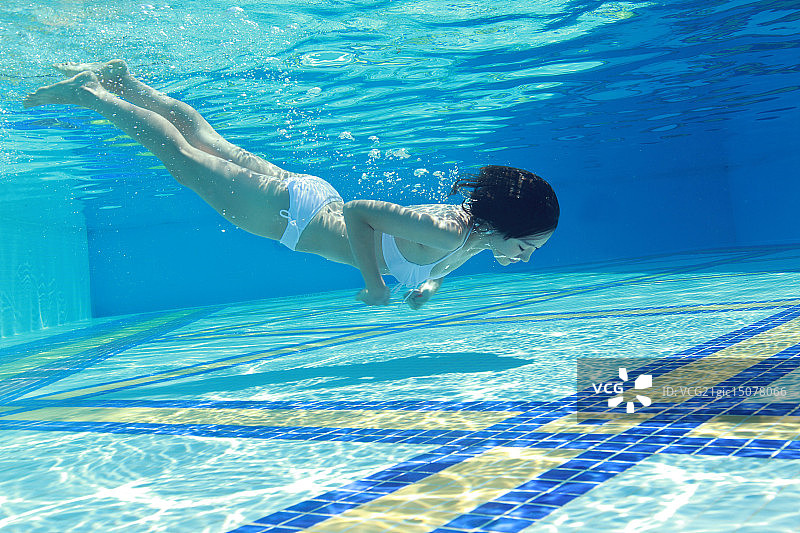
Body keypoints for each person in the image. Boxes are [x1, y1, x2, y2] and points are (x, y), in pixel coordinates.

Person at [23, 60, 560, 309]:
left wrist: (426, 286)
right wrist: (376, 286)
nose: (528, 256)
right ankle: (92, 94)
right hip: (289, 217)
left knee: (208, 140)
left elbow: (433, 262)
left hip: (303, 199)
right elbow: (361, 211)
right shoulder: (451, 233)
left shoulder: (471, 238)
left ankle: (126, 81)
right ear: (509, 227)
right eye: (529, 245)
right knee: (181, 155)